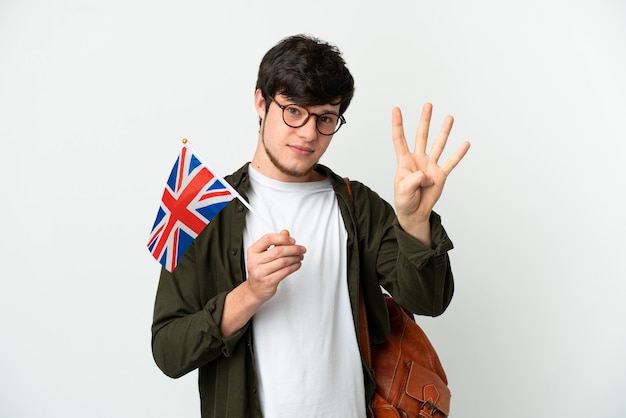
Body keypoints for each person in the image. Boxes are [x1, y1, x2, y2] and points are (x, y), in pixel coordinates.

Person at [151, 34, 470, 418]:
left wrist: (415, 221)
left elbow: (430, 301)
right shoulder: (204, 208)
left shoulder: (357, 204)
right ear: (260, 102)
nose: (308, 133)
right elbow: (168, 351)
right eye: (294, 111)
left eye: (325, 118)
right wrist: (250, 293)